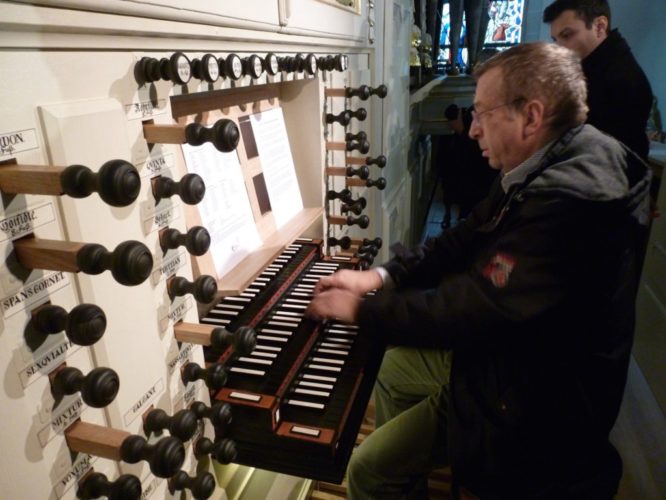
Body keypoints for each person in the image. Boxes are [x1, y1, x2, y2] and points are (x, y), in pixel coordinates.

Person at [306, 42, 651, 498]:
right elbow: (463, 237)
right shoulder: (543, 166)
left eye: (482, 113)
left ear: (531, 117)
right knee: (393, 369)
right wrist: (380, 277)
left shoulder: (570, 206)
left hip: (534, 407)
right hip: (510, 360)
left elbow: (469, 307)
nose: (471, 130)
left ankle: (397, 473)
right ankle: (410, 477)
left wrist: (363, 311)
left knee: (369, 468)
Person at [543, 0, 653, 160]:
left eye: (567, 35)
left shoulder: (621, 78)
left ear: (600, 26)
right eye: (555, 39)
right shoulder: (591, 67)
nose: (558, 48)